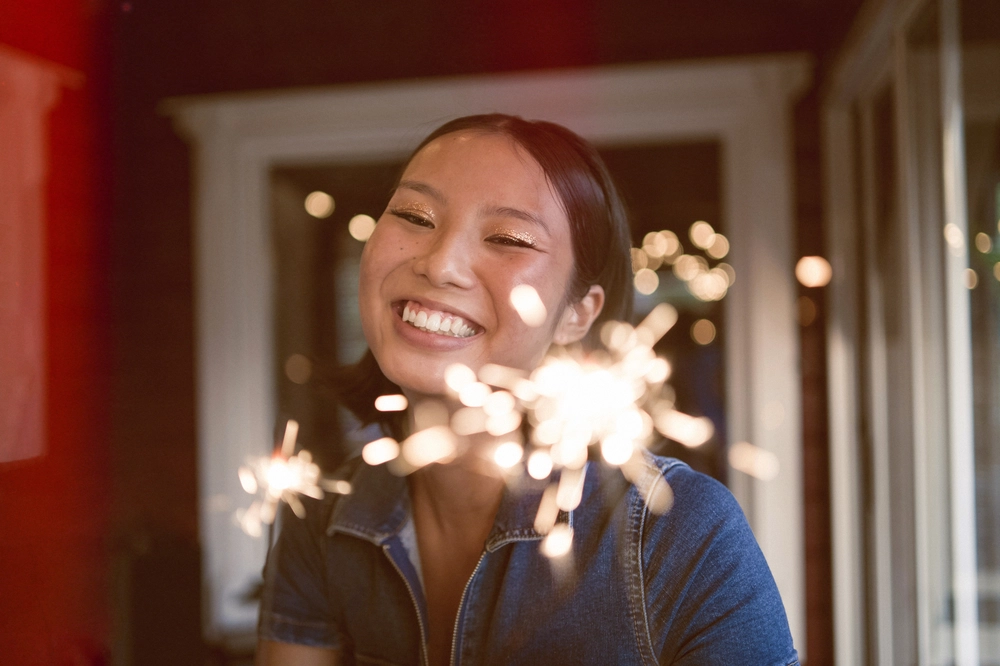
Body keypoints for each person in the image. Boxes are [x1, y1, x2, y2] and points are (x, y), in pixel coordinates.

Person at [256, 114, 798, 666]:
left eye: (509, 239)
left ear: (576, 314)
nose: (440, 263)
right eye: (414, 215)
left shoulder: (682, 533)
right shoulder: (319, 525)